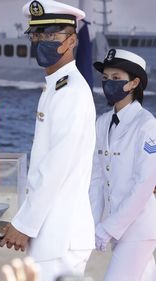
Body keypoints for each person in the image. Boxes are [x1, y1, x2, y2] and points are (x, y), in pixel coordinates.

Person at [0, 1, 96, 281]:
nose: (42, 41)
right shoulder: (55, 87)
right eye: (37, 35)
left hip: (60, 237)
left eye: (52, 35)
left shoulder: (71, 92)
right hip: (51, 235)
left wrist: (25, 224)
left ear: (72, 40)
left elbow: (56, 166)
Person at [89, 49, 156, 281]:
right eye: (105, 78)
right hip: (119, 230)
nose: (109, 84)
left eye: (116, 78)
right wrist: (92, 223)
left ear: (134, 83)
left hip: (138, 229)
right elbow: (96, 179)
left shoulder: (147, 125)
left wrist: (108, 227)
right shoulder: (102, 122)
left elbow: (145, 185)